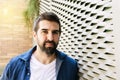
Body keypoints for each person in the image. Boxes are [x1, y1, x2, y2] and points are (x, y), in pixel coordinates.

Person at [1, 12, 79, 80]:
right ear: (35, 35)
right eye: (45, 32)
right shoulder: (15, 65)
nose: (50, 38)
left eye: (55, 32)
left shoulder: (70, 66)